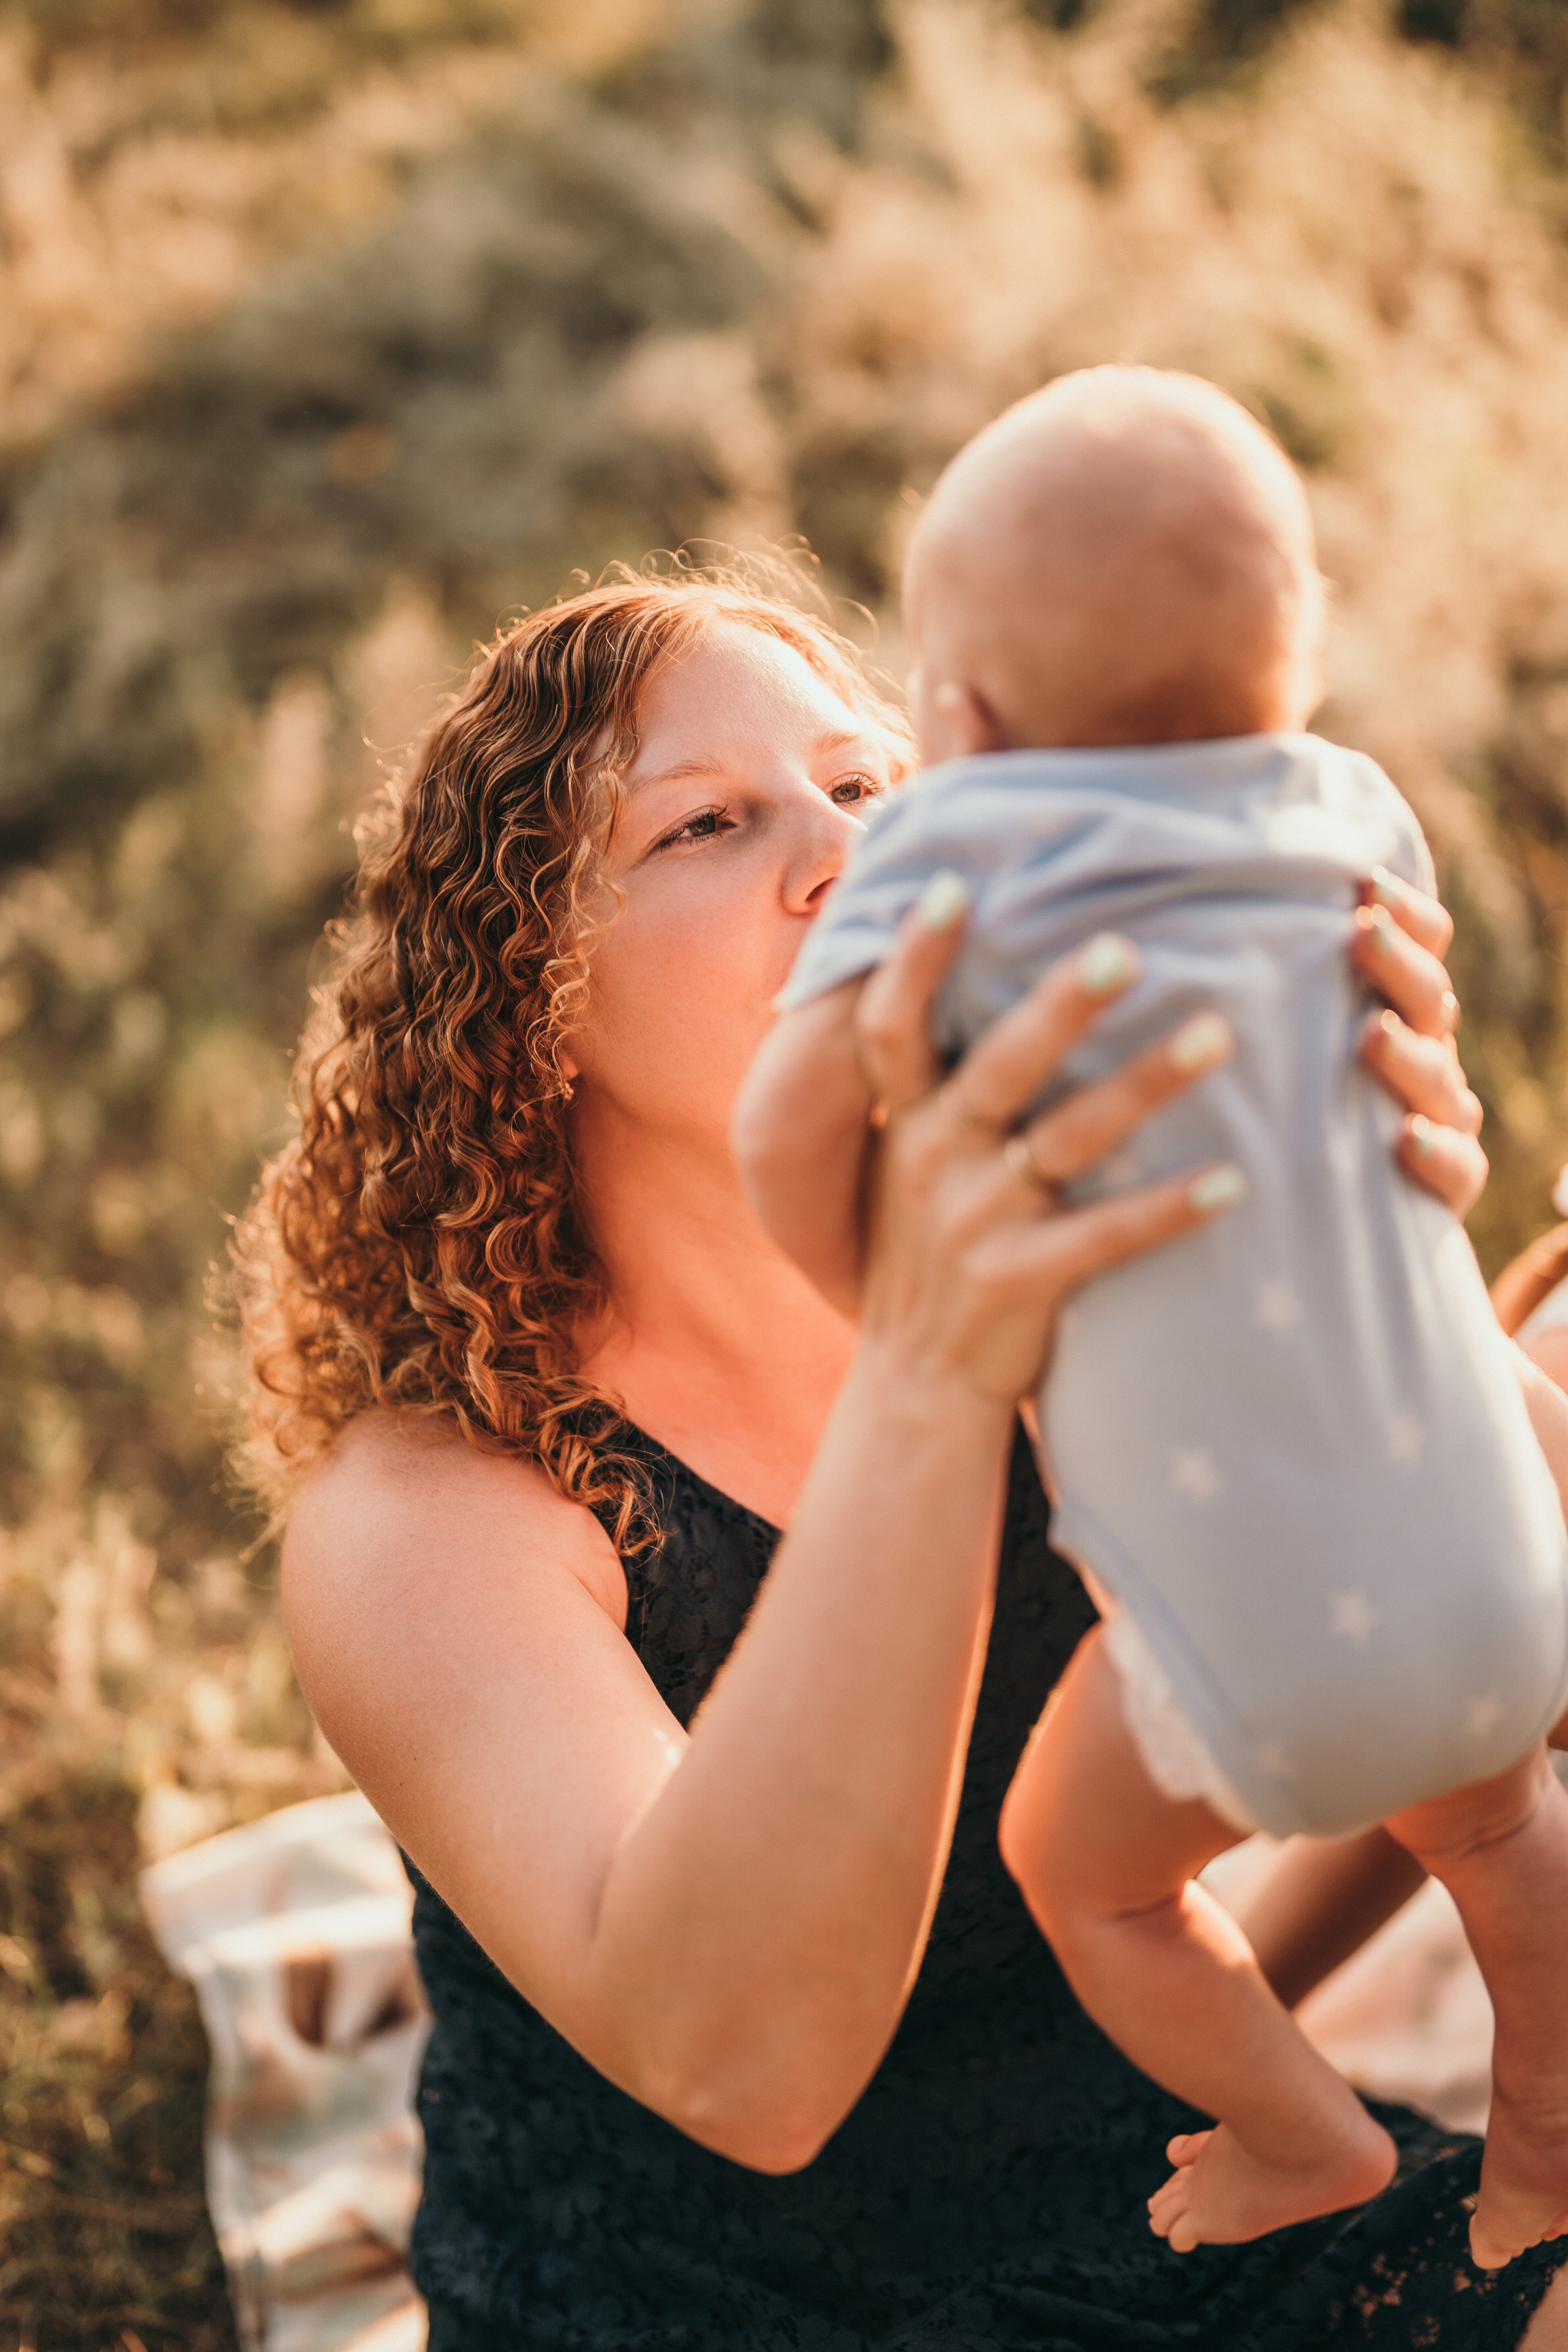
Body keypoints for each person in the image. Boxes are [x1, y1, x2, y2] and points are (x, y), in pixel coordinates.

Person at [235, 554, 1568, 2348]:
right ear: (526, 1006)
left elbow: (1468, 1674)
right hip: (732, 2313)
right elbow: (749, 2070)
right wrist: (939, 1364)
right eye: (704, 824)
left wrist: (1380, 1263)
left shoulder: (1097, 1279)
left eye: (864, 782)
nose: (844, 851)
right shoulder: (426, 1518)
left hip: (1190, 2193)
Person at [734, 369, 1568, 2269]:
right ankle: (1548, 2135)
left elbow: (787, 1129)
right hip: (1500, 1565)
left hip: (1243, 1617)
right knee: (1499, 1833)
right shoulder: (1354, 809)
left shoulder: (952, 848)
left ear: (961, 722)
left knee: (1083, 1874)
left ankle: (1299, 2133)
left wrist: (900, 1310)